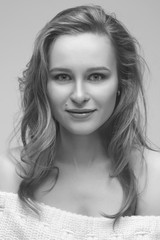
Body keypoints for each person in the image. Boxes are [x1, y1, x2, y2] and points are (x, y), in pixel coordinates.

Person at [0, 4, 160, 239]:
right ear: (44, 85)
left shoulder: (153, 176)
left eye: (96, 76)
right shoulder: (9, 174)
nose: (78, 95)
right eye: (62, 77)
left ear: (121, 84)